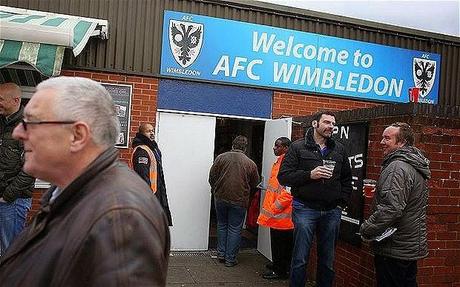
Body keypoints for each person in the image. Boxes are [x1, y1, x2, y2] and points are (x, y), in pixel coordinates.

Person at [0, 77, 170, 286]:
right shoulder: (68, 191)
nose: (18, 133)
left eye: (32, 122)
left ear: (77, 135)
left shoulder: (119, 218)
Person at [278, 111, 352, 287]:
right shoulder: (298, 147)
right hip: (305, 208)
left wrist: (341, 203)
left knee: (327, 260)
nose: (331, 127)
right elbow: (284, 176)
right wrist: (309, 175)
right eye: (326, 122)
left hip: (331, 211)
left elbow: (347, 179)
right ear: (314, 124)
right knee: (301, 258)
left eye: (333, 124)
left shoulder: (339, 149)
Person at [360, 122, 431, 287]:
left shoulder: (397, 167)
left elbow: (391, 209)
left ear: (402, 142)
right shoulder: (413, 164)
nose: (382, 142)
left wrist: (367, 228)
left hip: (394, 246)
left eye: (387, 138)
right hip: (407, 246)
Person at [209, 135, 259, 267]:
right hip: (240, 200)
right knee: (235, 228)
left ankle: (221, 254)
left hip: (220, 197)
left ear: (233, 145)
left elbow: (212, 177)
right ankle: (230, 259)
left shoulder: (221, 158)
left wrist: (216, 189)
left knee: (222, 224)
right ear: (245, 147)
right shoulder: (250, 163)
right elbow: (255, 183)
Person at [0, 83, 35, 257]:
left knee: (10, 252)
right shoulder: (3, 123)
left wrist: (7, 196)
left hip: (13, 202)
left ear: (15, 100)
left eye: (0, 99)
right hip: (4, 198)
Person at [257, 137, 293, 280]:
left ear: (285, 147)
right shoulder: (279, 161)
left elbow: (289, 191)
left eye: (277, 146)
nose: (274, 148)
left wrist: (275, 207)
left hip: (282, 214)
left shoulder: (287, 162)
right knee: (278, 243)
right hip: (277, 213)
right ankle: (278, 265)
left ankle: (280, 271)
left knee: (282, 245)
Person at [132, 123, 173, 226]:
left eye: (152, 130)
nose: (152, 133)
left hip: (157, 192)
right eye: (148, 131)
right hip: (149, 195)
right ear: (141, 133)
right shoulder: (142, 151)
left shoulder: (153, 149)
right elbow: (142, 176)